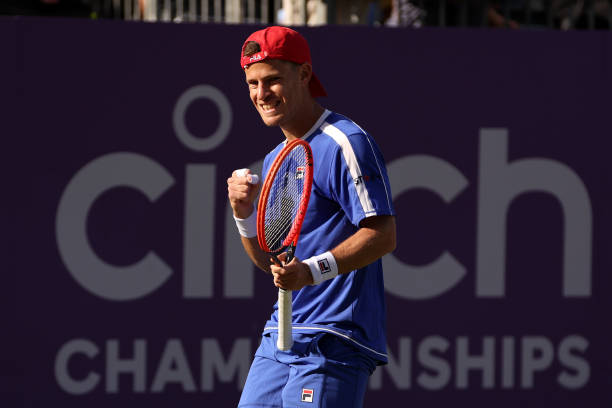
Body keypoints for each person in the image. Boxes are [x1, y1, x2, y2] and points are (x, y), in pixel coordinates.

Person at [227, 26, 396, 407]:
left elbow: (383, 234)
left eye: (272, 80)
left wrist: (311, 272)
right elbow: (274, 264)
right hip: (280, 335)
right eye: (252, 83)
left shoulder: (346, 142)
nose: (260, 94)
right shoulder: (276, 160)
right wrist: (243, 216)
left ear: (303, 74)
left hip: (333, 339)